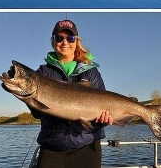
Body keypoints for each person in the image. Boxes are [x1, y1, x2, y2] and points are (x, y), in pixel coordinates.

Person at [32, 19, 113, 168]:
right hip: (52, 147)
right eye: (59, 38)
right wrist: (26, 97)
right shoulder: (43, 73)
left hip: (87, 147)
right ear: (53, 41)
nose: (65, 42)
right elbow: (37, 113)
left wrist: (104, 119)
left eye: (70, 38)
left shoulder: (92, 72)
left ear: (76, 41)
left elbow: (105, 105)